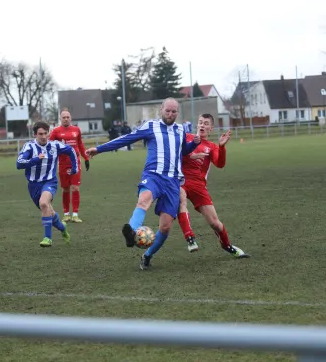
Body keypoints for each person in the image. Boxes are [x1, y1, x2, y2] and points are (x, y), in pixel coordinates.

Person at [85, 98, 200, 270]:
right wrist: (99, 149)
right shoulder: (150, 126)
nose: (170, 114)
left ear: (177, 112)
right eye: (167, 111)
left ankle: (147, 256)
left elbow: (182, 151)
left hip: (173, 182)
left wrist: (193, 145)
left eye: (174, 111)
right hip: (153, 175)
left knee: (166, 227)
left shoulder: (180, 130)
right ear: (161, 109)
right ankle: (131, 231)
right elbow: (127, 139)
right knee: (144, 198)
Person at [176, 113, 249, 258]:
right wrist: (188, 156)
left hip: (198, 186)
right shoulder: (187, 138)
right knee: (180, 200)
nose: (202, 125)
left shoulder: (211, 147)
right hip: (181, 180)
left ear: (211, 128)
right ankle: (190, 238)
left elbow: (220, 164)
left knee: (215, 223)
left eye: (206, 123)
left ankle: (227, 246)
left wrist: (221, 147)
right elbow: (175, 154)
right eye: (200, 122)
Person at [16, 121, 78, 247]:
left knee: (44, 203)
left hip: (50, 182)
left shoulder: (55, 146)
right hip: (33, 185)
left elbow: (71, 150)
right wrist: (35, 159)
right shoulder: (29, 147)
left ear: (48, 133)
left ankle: (47, 238)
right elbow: (19, 164)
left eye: (45, 133)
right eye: (40, 134)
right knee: (48, 211)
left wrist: (75, 168)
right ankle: (62, 228)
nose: (43, 136)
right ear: (35, 134)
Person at [49, 110, 90, 223]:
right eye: (64, 117)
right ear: (60, 119)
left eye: (68, 117)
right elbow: (49, 146)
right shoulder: (56, 131)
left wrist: (85, 158)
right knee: (65, 189)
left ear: (70, 118)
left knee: (75, 187)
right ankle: (66, 214)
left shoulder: (76, 130)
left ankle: (75, 214)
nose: (66, 119)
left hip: (75, 163)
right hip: (62, 164)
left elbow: (80, 144)